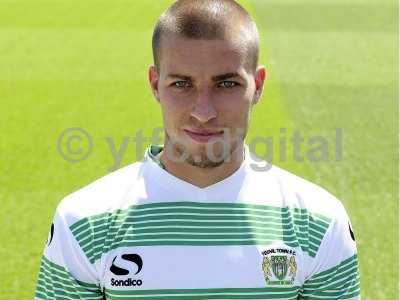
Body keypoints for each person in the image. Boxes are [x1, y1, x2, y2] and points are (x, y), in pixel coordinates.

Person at [35, 0, 361, 299]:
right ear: (155, 84)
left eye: (226, 84)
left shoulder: (318, 223)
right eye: (182, 84)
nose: (203, 112)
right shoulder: (84, 222)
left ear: (257, 85)